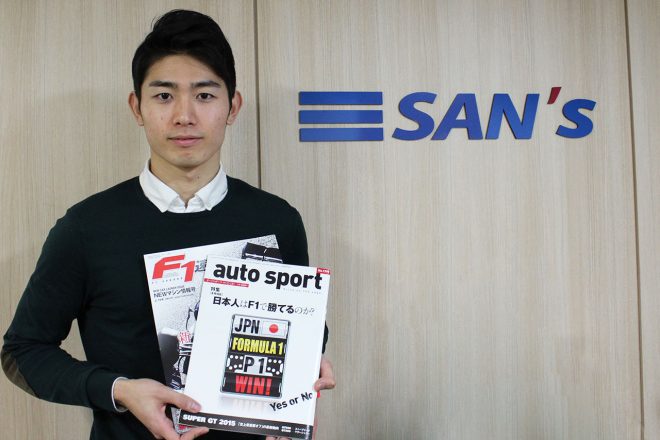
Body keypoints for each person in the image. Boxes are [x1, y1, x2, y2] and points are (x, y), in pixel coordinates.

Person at [1, 9, 334, 440]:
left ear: (233, 106)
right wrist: (118, 390)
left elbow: (301, 323)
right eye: (163, 96)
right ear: (136, 107)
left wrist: (305, 365)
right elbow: (23, 351)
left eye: (205, 95)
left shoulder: (277, 220)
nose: (184, 116)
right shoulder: (87, 228)